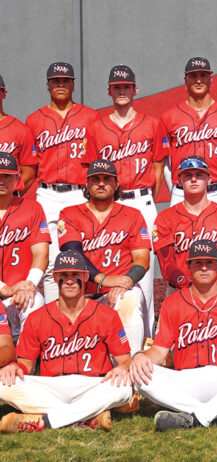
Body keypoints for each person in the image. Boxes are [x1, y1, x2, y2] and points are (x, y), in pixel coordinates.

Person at [130, 239, 217, 431]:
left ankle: (193, 418)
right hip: (185, 381)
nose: (204, 268)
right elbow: (159, 352)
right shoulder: (172, 303)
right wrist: (138, 356)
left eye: (209, 262)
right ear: (188, 266)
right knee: (138, 374)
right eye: (198, 263)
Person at [0, 250, 132, 433]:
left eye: (75, 274)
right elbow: (26, 364)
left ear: (86, 276)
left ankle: (43, 422)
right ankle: (87, 417)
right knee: (3, 385)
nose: (70, 280)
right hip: (52, 387)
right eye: (64, 275)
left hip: (92, 385)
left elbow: (125, 360)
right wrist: (15, 368)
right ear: (55, 278)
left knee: (124, 389)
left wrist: (122, 368)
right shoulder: (36, 318)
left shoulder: (107, 315)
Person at [90, 64, 168, 336]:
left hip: (142, 200)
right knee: (108, 263)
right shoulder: (96, 127)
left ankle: (145, 339)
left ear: (135, 90)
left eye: (126, 86)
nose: (122, 91)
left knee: (144, 274)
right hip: (109, 204)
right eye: (117, 87)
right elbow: (90, 171)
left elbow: (158, 167)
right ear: (109, 91)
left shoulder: (152, 124)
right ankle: (107, 335)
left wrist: (146, 198)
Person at [58, 159, 150, 352]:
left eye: (107, 179)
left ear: (116, 184)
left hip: (119, 291)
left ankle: (132, 363)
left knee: (128, 300)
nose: (101, 183)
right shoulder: (69, 214)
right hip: (84, 293)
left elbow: (142, 259)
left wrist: (125, 282)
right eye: (95, 179)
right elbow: (72, 253)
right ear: (86, 184)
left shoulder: (133, 215)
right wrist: (104, 279)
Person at [26, 62, 99, 302]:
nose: (61, 84)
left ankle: (82, 316)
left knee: (82, 256)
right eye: (56, 80)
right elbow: (29, 165)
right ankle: (51, 317)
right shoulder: (34, 120)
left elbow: (97, 161)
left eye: (65, 80)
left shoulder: (91, 117)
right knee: (49, 262)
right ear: (47, 85)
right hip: (47, 194)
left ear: (73, 84)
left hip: (79, 193)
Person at [153, 155, 217, 305]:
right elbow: (167, 265)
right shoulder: (165, 218)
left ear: (209, 179)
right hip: (181, 288)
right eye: (187, 175)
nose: (193, 179)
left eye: (199, 174)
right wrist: (191, 290)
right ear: (179, 181)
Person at [161, 57, 217, 209]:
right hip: (182, 192)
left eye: (203, 75)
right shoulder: (169, 116)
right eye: (193, 76)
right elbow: (164, 161)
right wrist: (174, 189)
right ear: (185, 80)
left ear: (211, 79)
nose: (198, 80)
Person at [0, 153, 49, 339]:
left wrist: (29, 285)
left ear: (17, 178)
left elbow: (41, 254)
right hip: (6, 290)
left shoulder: (33, 208)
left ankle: (25, 365)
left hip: (22, 292)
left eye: (7, 175)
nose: (2, 181)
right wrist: (5, 289)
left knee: (34, 303)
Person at [0, 74, 38, 193]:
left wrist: (8, 194)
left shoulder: (20, 129)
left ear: (4, 93)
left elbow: (29, 173)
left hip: (8, 200)